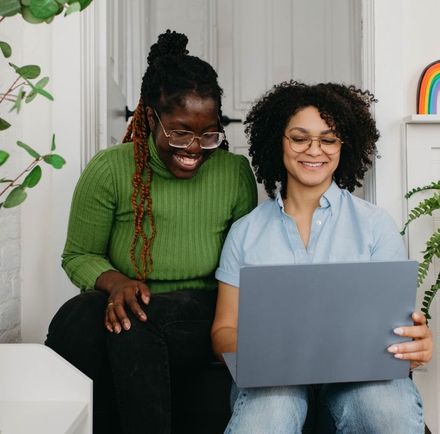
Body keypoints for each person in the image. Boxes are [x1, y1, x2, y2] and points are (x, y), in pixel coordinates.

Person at [45, 30, 257, 434]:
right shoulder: (110, 169)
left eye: (209, 133)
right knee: (79, 314)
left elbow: (244, 263)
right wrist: (117, 282)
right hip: (125, 295)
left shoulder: (234, 173)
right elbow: (78, 255)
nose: (194, 148)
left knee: (136, 318)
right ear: (148, 117)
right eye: (179, 132)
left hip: (201, 307)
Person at [211, 81, 433, 433]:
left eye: (328, 139)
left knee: (383, 408)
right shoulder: (246, 232)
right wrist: (263, 347)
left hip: (357, 377)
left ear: (344, 146)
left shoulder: (375, 226)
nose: (314, 150)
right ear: (278, 142)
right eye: (300, 138)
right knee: (271, 409)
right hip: (272, 379)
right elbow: (223, 330)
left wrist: (416, 341)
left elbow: (401, 326)